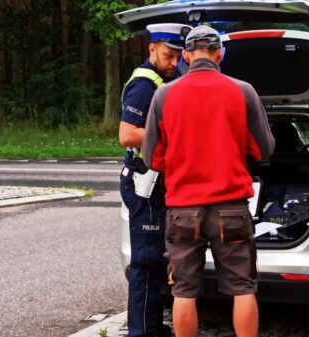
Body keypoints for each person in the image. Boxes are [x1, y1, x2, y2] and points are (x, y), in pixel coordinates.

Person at [142, 25, 274, 337]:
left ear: (186, 55)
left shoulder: (163, 95)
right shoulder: (243, 91)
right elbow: (264, 148)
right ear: (220, 54)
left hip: (183, 209)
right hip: (231, 208)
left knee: (184, 291)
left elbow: (151, 158)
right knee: (243, 288)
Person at [119, 23, 192, 337]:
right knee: (146, 262)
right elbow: (127, 134)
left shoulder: (165, 81)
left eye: (178, 57)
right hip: (144, 185)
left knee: (155, 260)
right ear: (151, 48)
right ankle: (141, 332)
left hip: (156, 184)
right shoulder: (145, 85)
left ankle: (151, 326)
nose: (174, 63)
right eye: (168, 55)